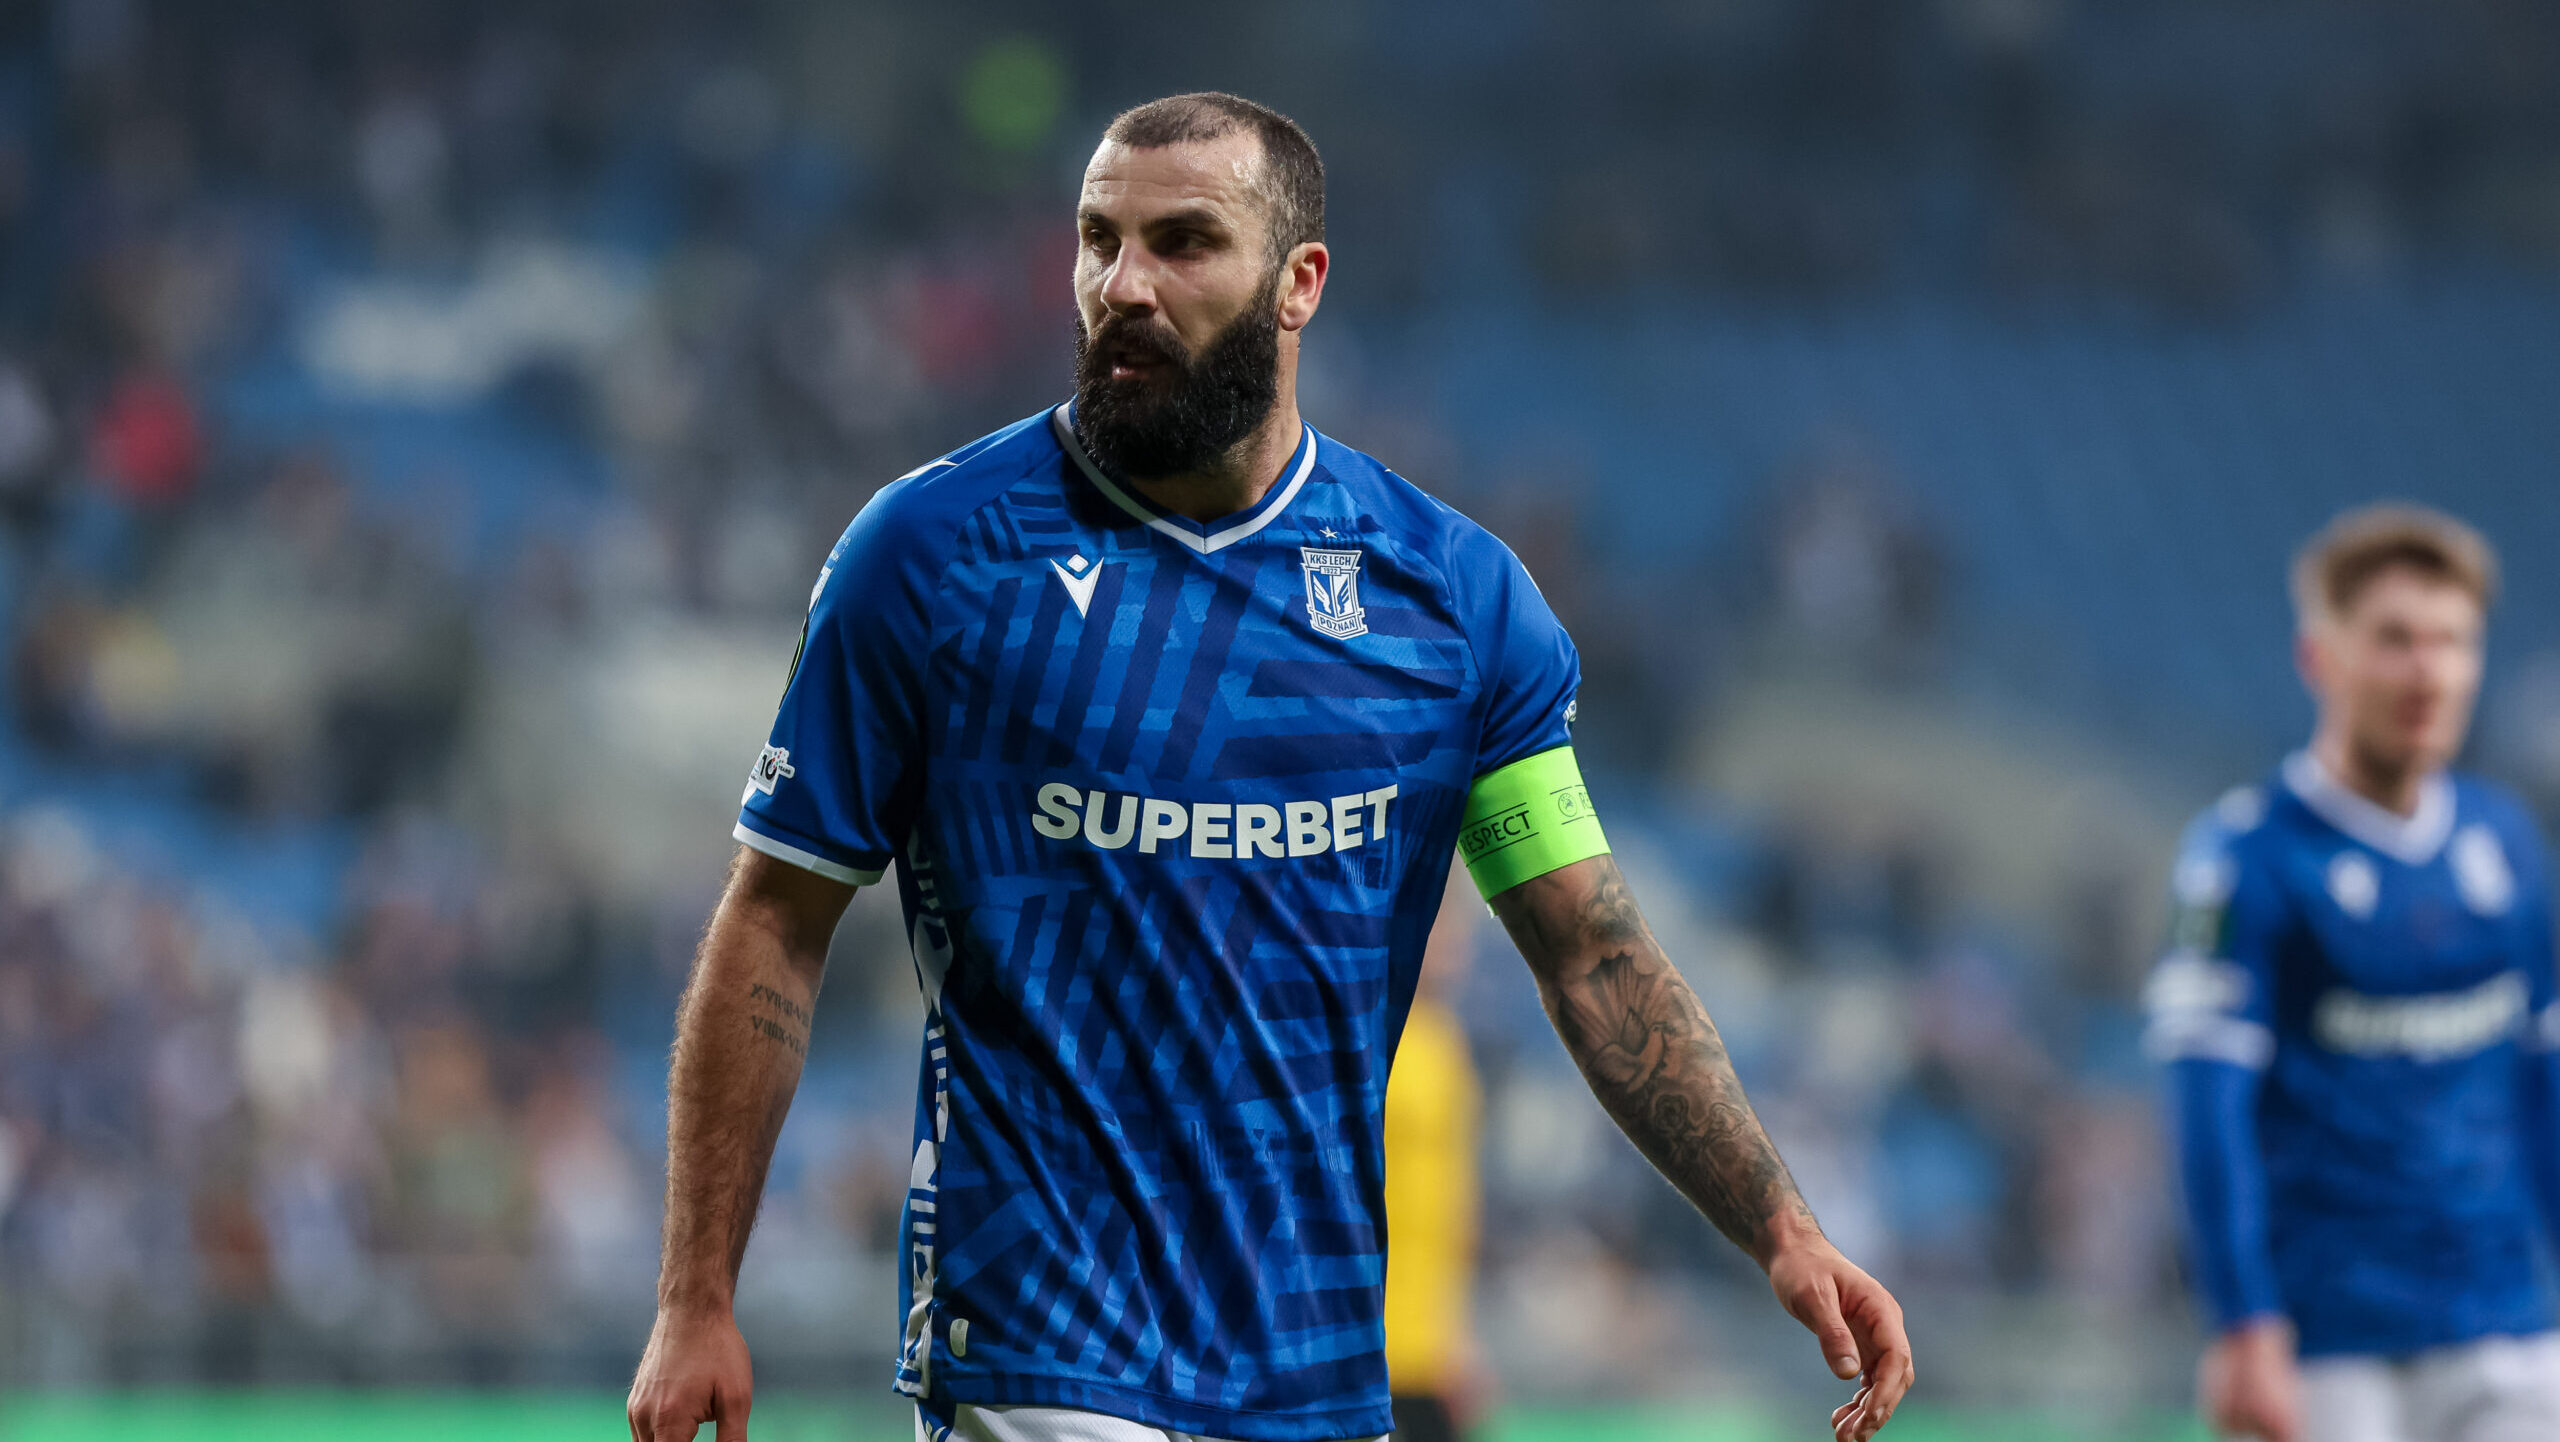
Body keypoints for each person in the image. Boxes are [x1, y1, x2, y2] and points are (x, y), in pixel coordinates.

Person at [626, 92, 1913, 1442]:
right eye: (1099, 239)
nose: (1123, 285)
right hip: (1037, 1349)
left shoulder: (1453, 601)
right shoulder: (931, 557)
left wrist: (1782, 1226)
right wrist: (694, 1295)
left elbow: (1592, 953)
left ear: (1299, 284)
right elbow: (775, 921)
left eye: (1183, 243)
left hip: (1317, 1374)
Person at [2148, 505, 2560, 1442]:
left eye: (2452, 642)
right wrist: (2242, 1321)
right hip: (2329, 1343)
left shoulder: (2505, 842)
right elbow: (2208, 1109)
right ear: (2320, 658)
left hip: (2505, 1322)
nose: (2428, 673)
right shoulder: (2245, 858)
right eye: (2396, 640)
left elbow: (2543, 1083)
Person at [1381, 865, 1490, 1442]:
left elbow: (1450, 1212)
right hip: (1358, 1346)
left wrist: (1457, 1334)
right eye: (1440, 924)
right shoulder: (1363, 1035)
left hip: (1427, 1349)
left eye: (1457, 926)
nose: (1453, 943)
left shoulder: (1445, 1044)